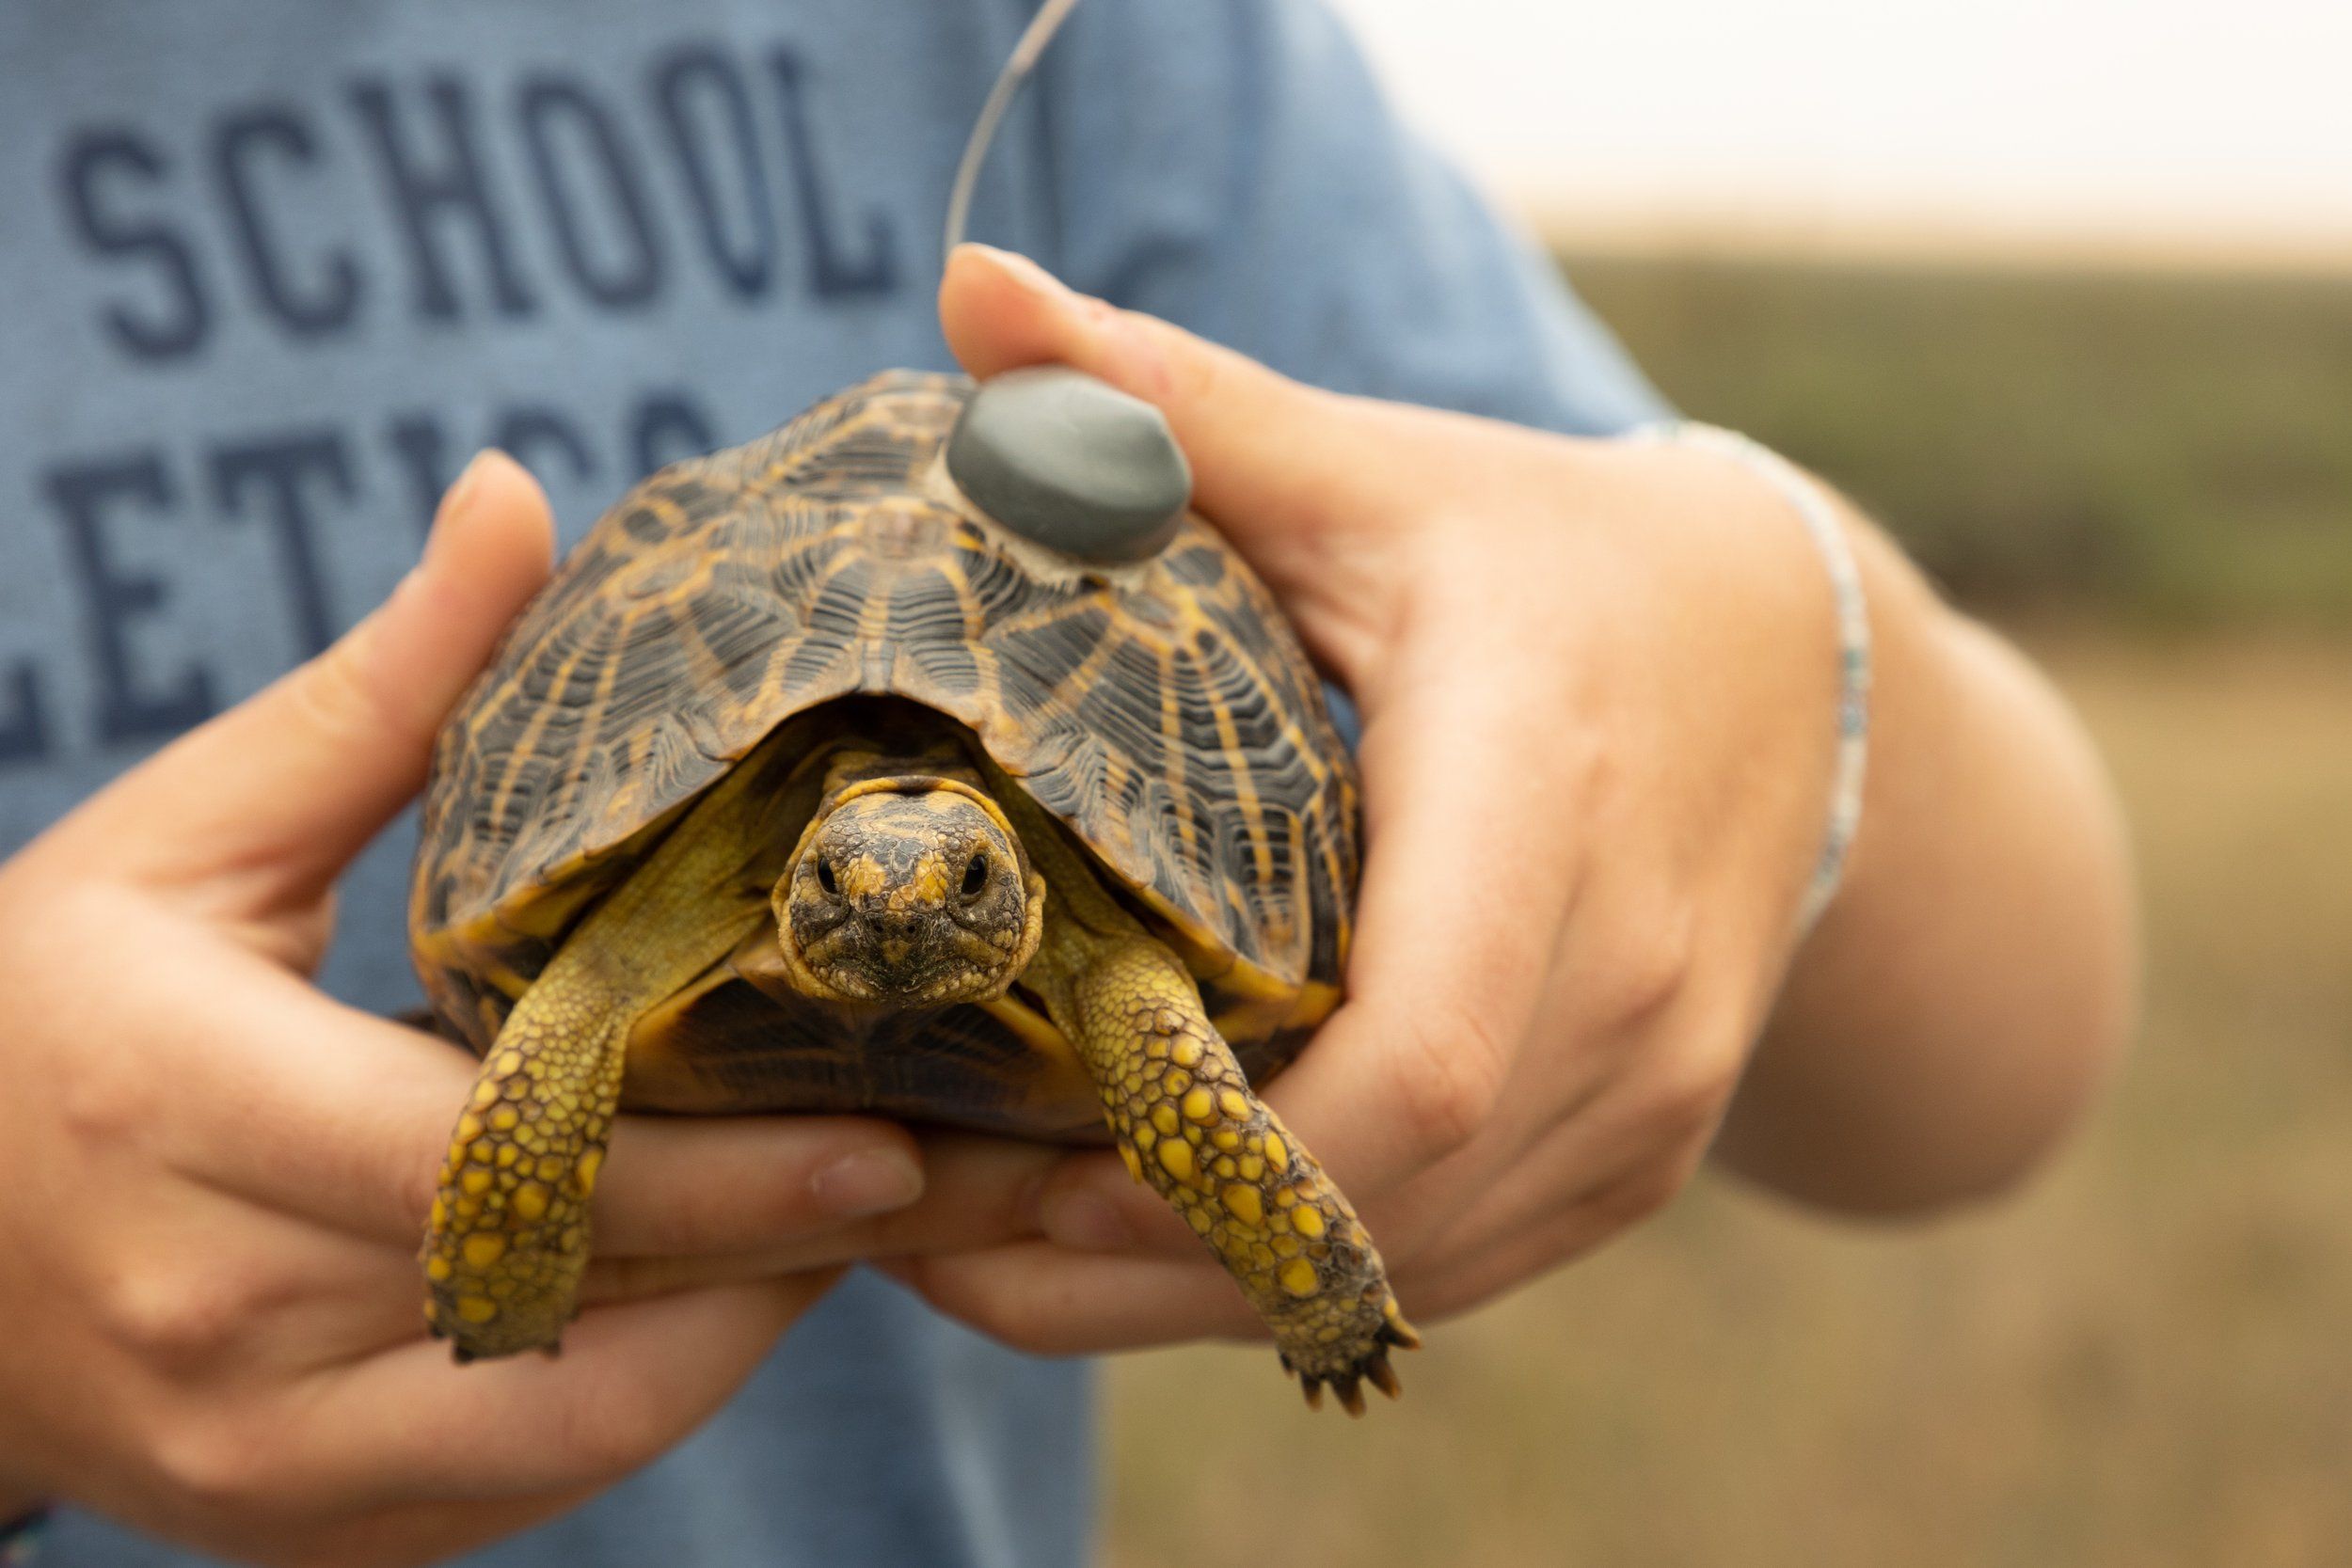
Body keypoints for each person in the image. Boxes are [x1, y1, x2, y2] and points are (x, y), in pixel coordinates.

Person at [0, 1, 2135, 1564]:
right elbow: (551, 1021)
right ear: (796, 867)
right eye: (861, 881)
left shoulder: (1077, 40)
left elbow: (2011, 1051)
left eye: (936, 883)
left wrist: (1780, 644)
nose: (904, 903)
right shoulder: (659, 912)